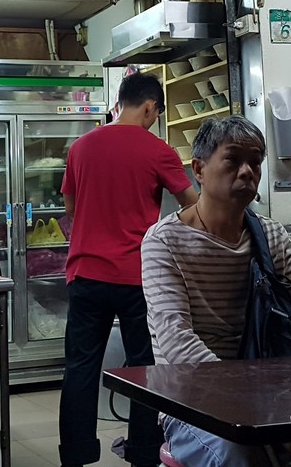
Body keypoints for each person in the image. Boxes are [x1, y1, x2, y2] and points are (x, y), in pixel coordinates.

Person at [142, 115, 291, 467]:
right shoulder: (164, 241)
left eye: (255, 161)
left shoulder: (271, 237)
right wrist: (253, 406)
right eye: (232, 159)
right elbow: (175, 338)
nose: (247, 171)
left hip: (276, 395)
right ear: (199, 169)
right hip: (192, 404)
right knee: (245, 452)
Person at [57, 72, 199, 467]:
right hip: (138, 278)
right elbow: (194, 207)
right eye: (155, 113)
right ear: (150, 106)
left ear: (120, 102)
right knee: (144, 370)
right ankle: (141, 451)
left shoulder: (80, 147)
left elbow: (70, 209)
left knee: (80, 367)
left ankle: (76, 453)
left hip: (85, 274)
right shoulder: (159, 151)